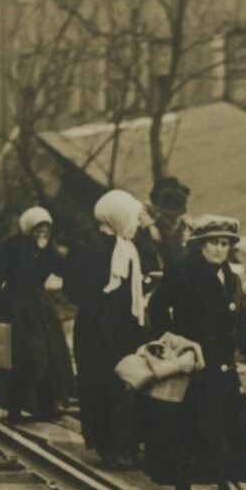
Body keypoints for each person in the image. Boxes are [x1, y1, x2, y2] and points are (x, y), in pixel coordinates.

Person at [145, 215, 246, 490]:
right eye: (213, 243)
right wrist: (169, 342)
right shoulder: (182, 272)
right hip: (195, 360)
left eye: (224, 244)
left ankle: (227, 478)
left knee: (229, 421)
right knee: (190, 421)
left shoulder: (231, 277)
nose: (219, 249)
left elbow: (240, 319)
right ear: (200, 245)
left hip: (223, 362)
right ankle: (182, 482)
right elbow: (157, 307)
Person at [64, 189, 149, 469]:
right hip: (99, 328)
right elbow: (73, 288)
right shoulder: (88, 246)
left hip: (116, 326)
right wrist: (101, 304)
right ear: (119, 217)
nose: (137, 223)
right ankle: (110, 447)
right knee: (105, 383)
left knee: (122, 383)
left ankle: (124, 443)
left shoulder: (128, 248)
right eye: (133, 217)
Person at [0, 206, 73, 422]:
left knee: (55, 354)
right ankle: (15, 405)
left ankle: (49, 403)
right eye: (38, 230)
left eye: (45, 230)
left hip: (40, 307)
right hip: (15, 307)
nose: (42, 234)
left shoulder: (48, 250)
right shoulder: (8, 248)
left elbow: (63, 269)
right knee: (26, 358)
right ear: (28, 228)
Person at [138, 174, 192, 282]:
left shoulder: (181, 221)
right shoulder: (146, 211)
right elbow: (141, 212)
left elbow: (187, 220)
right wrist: (150, 225)